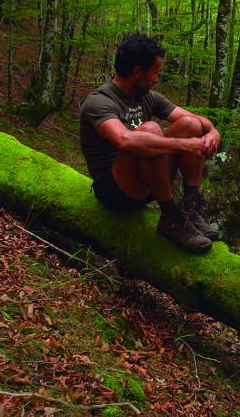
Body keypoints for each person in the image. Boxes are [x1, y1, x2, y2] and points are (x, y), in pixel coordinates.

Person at [79, 34, 220, 254]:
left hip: (148, 182)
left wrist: (212, 131)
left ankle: (190, 210)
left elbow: (196, 120)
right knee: (150, 130)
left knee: (190, 125)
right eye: (154, 72)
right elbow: (124, 140)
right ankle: (170, 217)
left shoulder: (147, 97)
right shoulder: (99, 101)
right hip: (115, 192)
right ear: (137, 72)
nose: (156, 79)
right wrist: (185, 146)